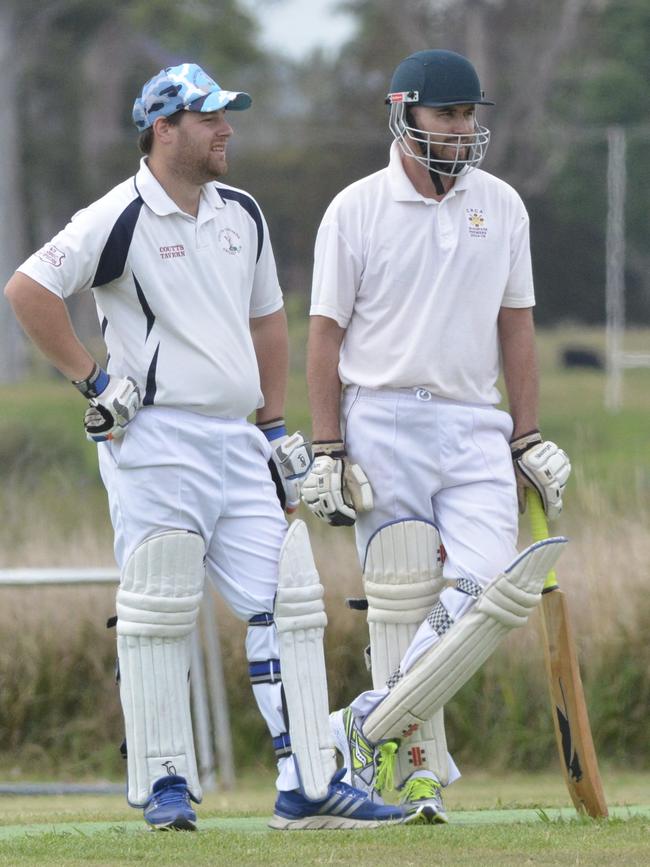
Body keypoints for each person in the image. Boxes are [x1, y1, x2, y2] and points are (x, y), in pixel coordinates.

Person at [4, 62, 408, 832]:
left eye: (228, 116)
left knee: (285, 604)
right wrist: (94, 382)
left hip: (236, 439)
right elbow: (28, 289)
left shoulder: (241, 213)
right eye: (210, 118)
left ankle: (307, 785)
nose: (228, 130)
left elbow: (267, 323)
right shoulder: (118, 214)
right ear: (164, 128)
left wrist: (273, 427)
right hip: (153, 437)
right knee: (160, 607)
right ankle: (165, 784)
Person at [301, 49, 571, 823]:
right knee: (401, 601)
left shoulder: (503, 205)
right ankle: (417, 773)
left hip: (474, 421)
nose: (461, 129)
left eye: (469, 116)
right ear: (405, 112)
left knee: (491, 588)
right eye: (448, 115)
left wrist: (527, 437)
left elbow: (516, 329)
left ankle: (360, 726)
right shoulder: (354, 208)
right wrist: (327, 447)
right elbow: (325, 336)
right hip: (381, 415)